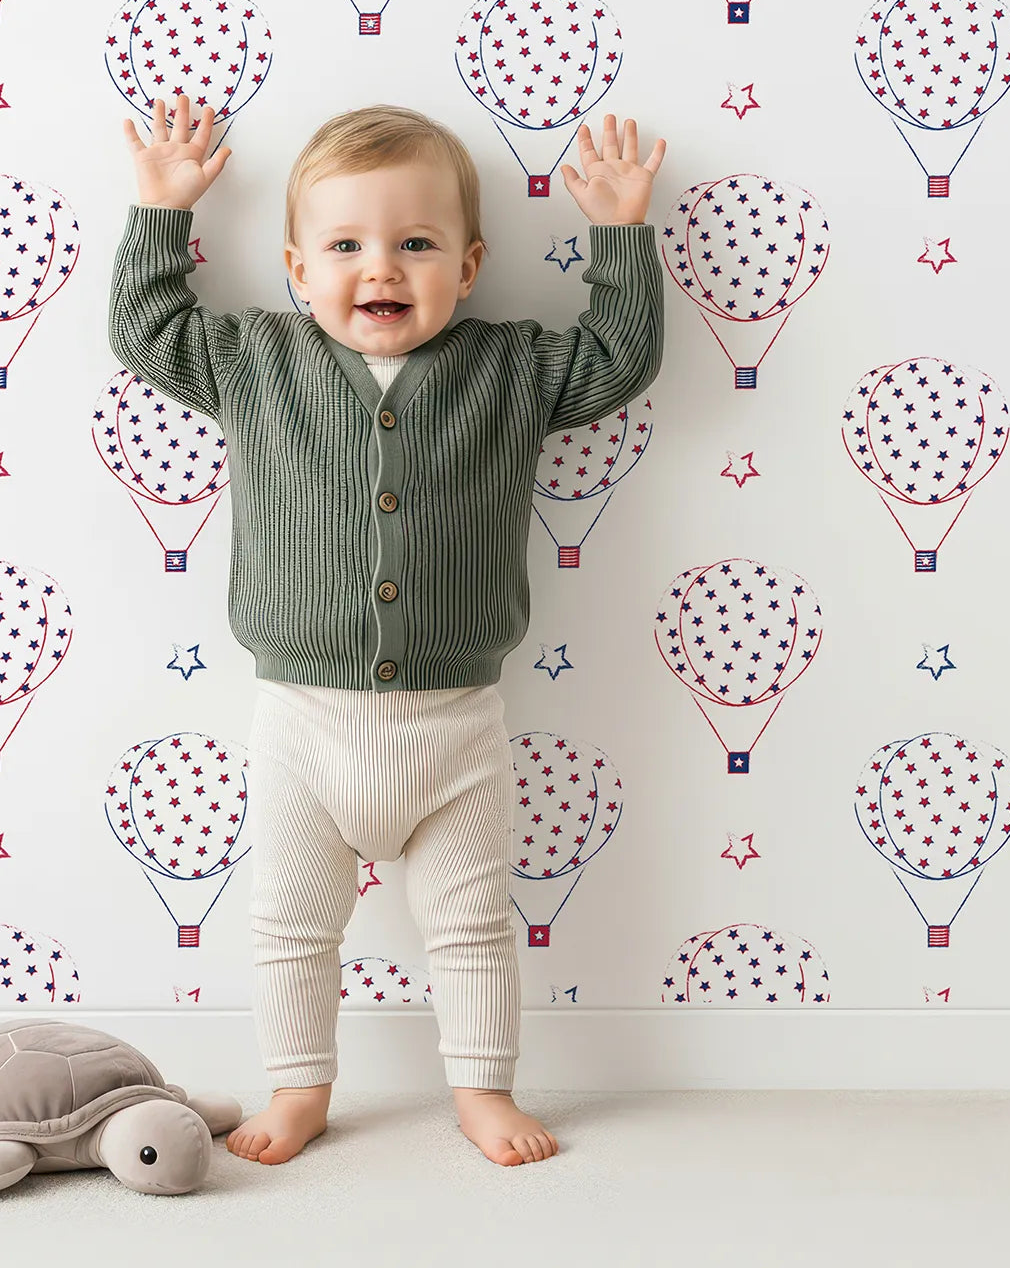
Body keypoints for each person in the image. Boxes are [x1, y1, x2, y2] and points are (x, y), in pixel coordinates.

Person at [111, 94, 666, 1167]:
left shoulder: (508, 369)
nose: (381, 268)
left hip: (455, 725)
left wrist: (620, 235)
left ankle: (481, 1090)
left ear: (467, 267)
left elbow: (619, 357)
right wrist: (160, 212)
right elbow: (148, 332)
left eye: (416, 244)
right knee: (290, 926)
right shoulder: (251, 360)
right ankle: (298, 1087)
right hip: (300, 721)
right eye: (346, 245)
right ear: (293, 267)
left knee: (470, 926)